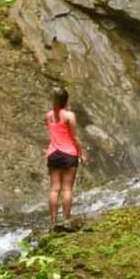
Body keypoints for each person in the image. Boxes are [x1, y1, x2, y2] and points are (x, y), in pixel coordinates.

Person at [44, 87, 86, 227]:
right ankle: (67, 220)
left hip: (53, 153)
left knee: (54, 188)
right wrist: (82, 153)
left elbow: (53, 131)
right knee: (67, 189)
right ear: (66, 100)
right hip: (69, 153)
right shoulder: (69, 116)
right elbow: (74, 137)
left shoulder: (48, 115)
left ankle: (53, 221)